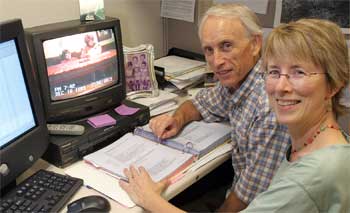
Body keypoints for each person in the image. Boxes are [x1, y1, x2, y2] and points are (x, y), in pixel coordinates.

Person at [119, 3, 290, 212]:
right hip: (237, 191)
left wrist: (150, 200)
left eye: (226, 45)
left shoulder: (268, 106)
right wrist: (177, 119)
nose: (216, 61)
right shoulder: (239, 81)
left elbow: (246, 200)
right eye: (209, 50)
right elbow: (199, 103)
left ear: (255, 44)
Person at [242, 18, 350, 212]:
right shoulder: (326, 141)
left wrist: (165, 204)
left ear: (333, 85)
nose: (281, 87)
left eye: (298, 72)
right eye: (274, 72)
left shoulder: (312, 176)